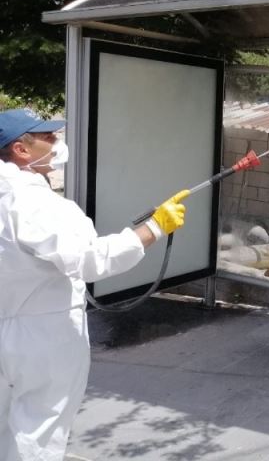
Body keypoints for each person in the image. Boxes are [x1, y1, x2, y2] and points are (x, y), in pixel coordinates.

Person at [0, 108, 190, 461]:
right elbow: (91, 259)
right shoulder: (32, 202)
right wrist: (154, 228)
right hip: (44, 335)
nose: (56, 141)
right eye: (47, 136)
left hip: (9, 328)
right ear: (21, 150)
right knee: (39, 431)